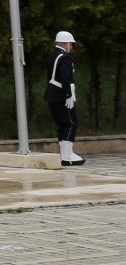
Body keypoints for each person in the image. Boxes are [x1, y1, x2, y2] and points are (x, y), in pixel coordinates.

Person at [45, 30, 85, 166]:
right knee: (70, 123)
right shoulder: (65, 57)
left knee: (62, 124)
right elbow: (65, 77)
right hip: (61, 94)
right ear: (65, 43)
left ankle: (64, 155)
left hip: (52, 94)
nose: (72, 46)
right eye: (71, 44)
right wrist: (68, 95)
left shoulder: (53, 55)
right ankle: (67, 155)